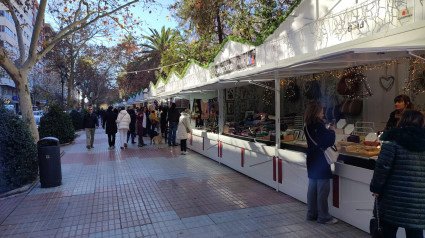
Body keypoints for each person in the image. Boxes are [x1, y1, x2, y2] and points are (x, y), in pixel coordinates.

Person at [370, 110, 425, 238]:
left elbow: (383, 166)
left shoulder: (392, 139)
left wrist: (376, 188)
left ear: (402, 120)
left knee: (388, 230)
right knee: (415, 231)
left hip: (393, 196)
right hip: (418, 199)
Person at [303, 102, 338, 224]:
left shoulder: (306, 125)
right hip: (321, 161)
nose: (323, 113)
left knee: (312, 188)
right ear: (317, 112)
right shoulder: (319, 124)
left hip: (311, 159)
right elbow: (327, 141)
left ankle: (311, 213)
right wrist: (332, 131)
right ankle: (324, 216)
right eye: (322, 111)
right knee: (323, 190)